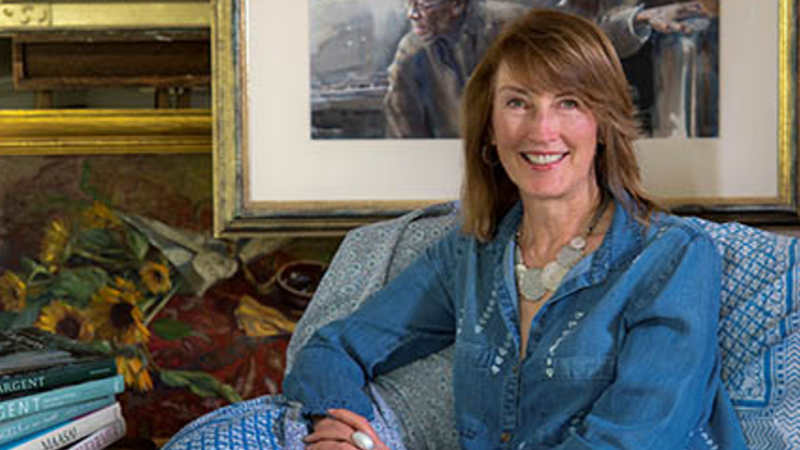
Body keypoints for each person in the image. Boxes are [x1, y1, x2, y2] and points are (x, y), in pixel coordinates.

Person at [285, 8, 748, 450]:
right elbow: (330, 349)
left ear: (603, 125)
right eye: (517, 103)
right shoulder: (470, 257)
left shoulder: (673, 258)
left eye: (569, 103)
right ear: (489, 126)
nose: (541, 130)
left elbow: (635, 440)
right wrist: (343, 427)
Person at [383, 0, 710, 139]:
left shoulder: (502, 20)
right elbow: (401, 125)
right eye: (410, 3)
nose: (413, 14)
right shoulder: (411, 52)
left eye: (425, 4)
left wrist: (636, 20)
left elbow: (578, 33)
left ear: (457, 5)